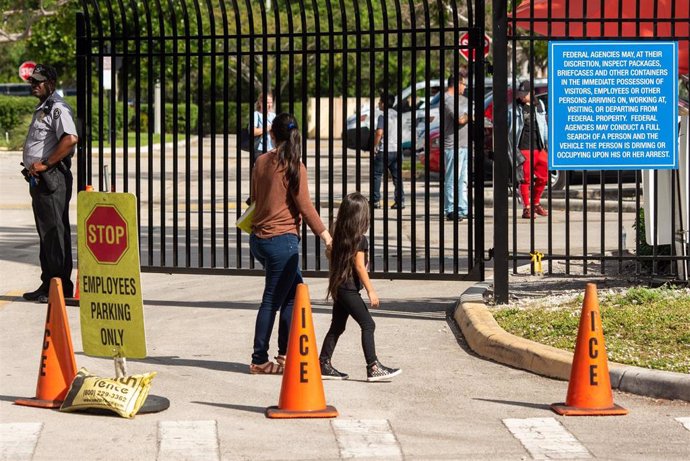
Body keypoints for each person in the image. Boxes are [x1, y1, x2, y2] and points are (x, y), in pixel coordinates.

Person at [249, 113, 332, 374]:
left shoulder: (261, 161)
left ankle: (285, 354)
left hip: (259, 239)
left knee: (293, 295)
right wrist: (326, 236)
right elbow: (305, 208)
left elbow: (253, 198)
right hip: (282, 243)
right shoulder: (295, 166)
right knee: (273, 299)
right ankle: (259, 360)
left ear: (271, 134)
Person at [319, 192, 402, 382]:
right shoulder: (360, 239)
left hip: (340, 288)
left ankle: (323, 363)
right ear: (362, 217)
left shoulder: (337, 234)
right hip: (349, 289)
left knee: (337, 327)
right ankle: (373, 366)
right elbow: (359, 266)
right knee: (368, 324)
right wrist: (371, 290)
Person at [21, 64, 78, 303]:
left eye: (38, 81)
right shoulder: (44, 107)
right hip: (40, 179)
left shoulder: (57, 107)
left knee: (55, 232)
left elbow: (70, 139)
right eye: (32, 81)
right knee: (47, 234)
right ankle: (48, 283)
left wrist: (45, 163)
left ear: (51, 83)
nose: (34, 85)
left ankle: (61, 287)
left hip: (52, 177)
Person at [507, 80, 549, 219]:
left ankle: (536, 203)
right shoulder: (514, 108)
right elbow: (508, 129)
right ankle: (527, 207)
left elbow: (543, 126)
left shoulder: (540, 106)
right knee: (525, 179)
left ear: (531, 93)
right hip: (524, 147)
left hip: (539, 146)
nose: (521, 96)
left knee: (544, 176)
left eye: (524, 93)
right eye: (520, 93)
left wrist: (546, 144)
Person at [442, 72, 471, 221]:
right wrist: (470, 114)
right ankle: (451, 208)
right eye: (463, 84)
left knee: (463, 179)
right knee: (452, 178)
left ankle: (462, 207)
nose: (465, 87)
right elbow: (460, 119)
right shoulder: (448, 100)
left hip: (464, 143)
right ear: (457, 83)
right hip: (453, 145)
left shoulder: (462, 100)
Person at [371, 93, 404, 210]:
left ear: (384, 104)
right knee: (397, 177)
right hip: (397, 150)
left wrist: (374, 146)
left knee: (376, 175)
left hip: (385, 150)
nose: (378, 104)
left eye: (380, 102)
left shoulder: (383, 116)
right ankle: (400, 201)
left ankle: (375, 201)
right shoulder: (398, 116)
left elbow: (379, 132)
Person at [250, 91, 276, 156]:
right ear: (260, 103)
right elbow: (253, 131)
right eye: (267, 103)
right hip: (260, 149)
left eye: (271, 103)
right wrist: (269, 127)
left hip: (273, 149)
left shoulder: (273, 115)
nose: (270, 105)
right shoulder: (256, 115)